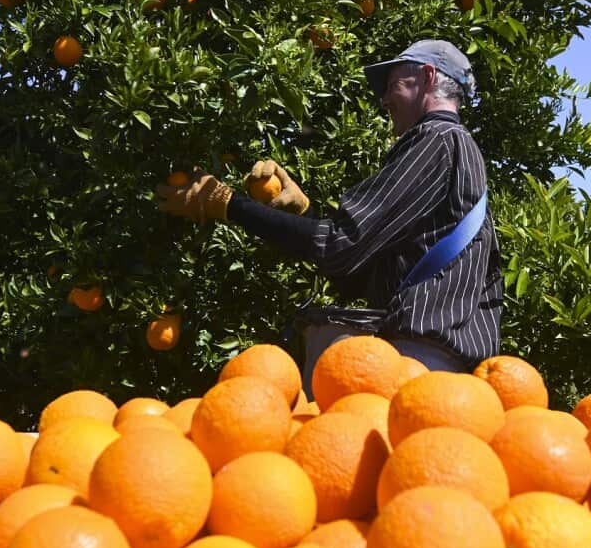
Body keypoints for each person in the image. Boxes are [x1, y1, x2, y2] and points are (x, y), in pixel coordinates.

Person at [156, 39, 503, 393]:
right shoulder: (457, 151)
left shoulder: (435, 139)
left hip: (417, 364)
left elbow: (339, 245)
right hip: (445, 370)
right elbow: (355, 263)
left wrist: (229, 205)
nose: (384, 100)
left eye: (393, 84)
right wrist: (306, 214)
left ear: (428, 77)